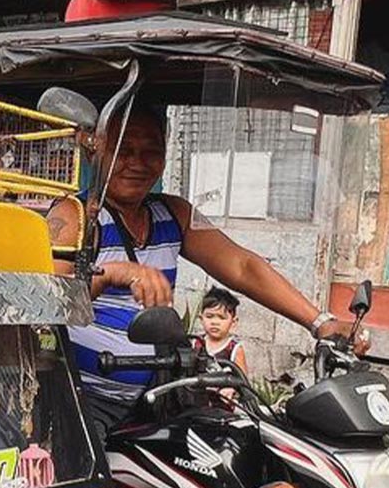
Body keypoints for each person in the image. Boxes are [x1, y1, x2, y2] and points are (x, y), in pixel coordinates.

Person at [45, 105, 367, 436]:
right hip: (84, 404)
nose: (137, 163)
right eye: (123, 151)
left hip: (156, 400)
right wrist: (112, 273)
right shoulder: (76, 216)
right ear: (94, 151)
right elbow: (49, 306)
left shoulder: (172, 214)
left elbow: (243, 267)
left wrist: (320, 323)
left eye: (151, 151)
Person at [195, 285, 249, 373]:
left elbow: (243, 381)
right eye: (209, 316)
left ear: (233, 322)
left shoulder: (234, 349)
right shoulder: (196, 343)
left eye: (221, 318)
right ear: (201, 319)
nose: (215, 322)